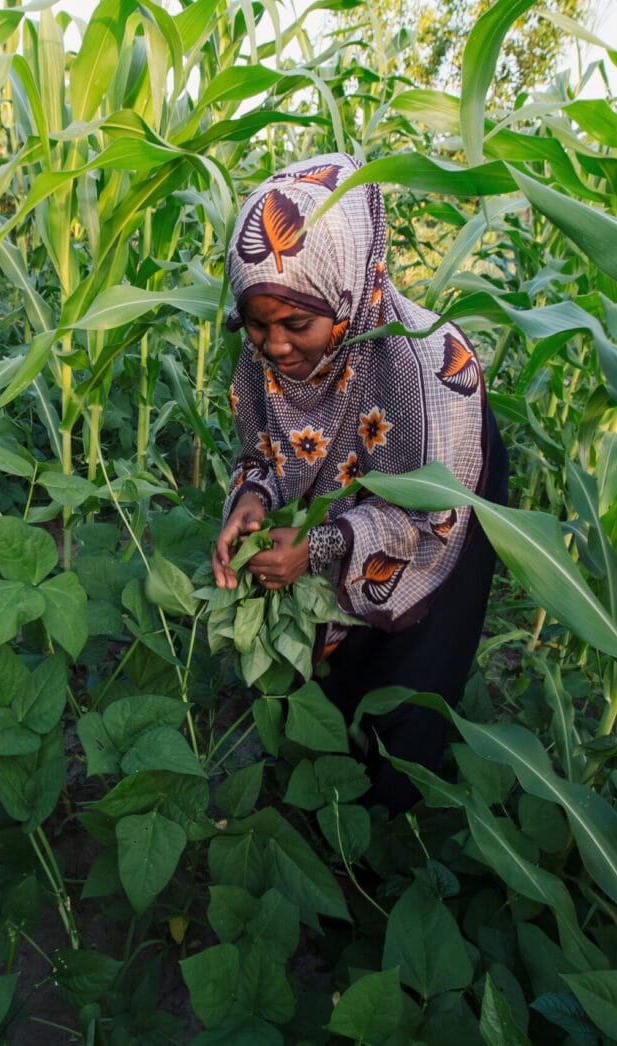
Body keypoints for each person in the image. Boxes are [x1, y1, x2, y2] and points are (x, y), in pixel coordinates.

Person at [211, 152, 510, 815]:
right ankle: (330, 786)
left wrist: (317, 546)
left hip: (445, 492)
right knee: (335, 650)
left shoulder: (427, 368)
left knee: (413, 663)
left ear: (346, 293)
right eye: (257, 324)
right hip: (346, 502)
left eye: (296, 324)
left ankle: (389, 830)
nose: (276, 345)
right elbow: (263, 449)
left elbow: (430, 514)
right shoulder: (265, 352)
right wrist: (254, 499)